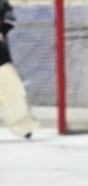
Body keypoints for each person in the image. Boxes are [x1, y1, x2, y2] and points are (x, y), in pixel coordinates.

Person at [0, 0, 38, 139]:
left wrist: (2, 30)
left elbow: (10, 19)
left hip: (1, 60)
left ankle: (23, 126)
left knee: (13, 92)